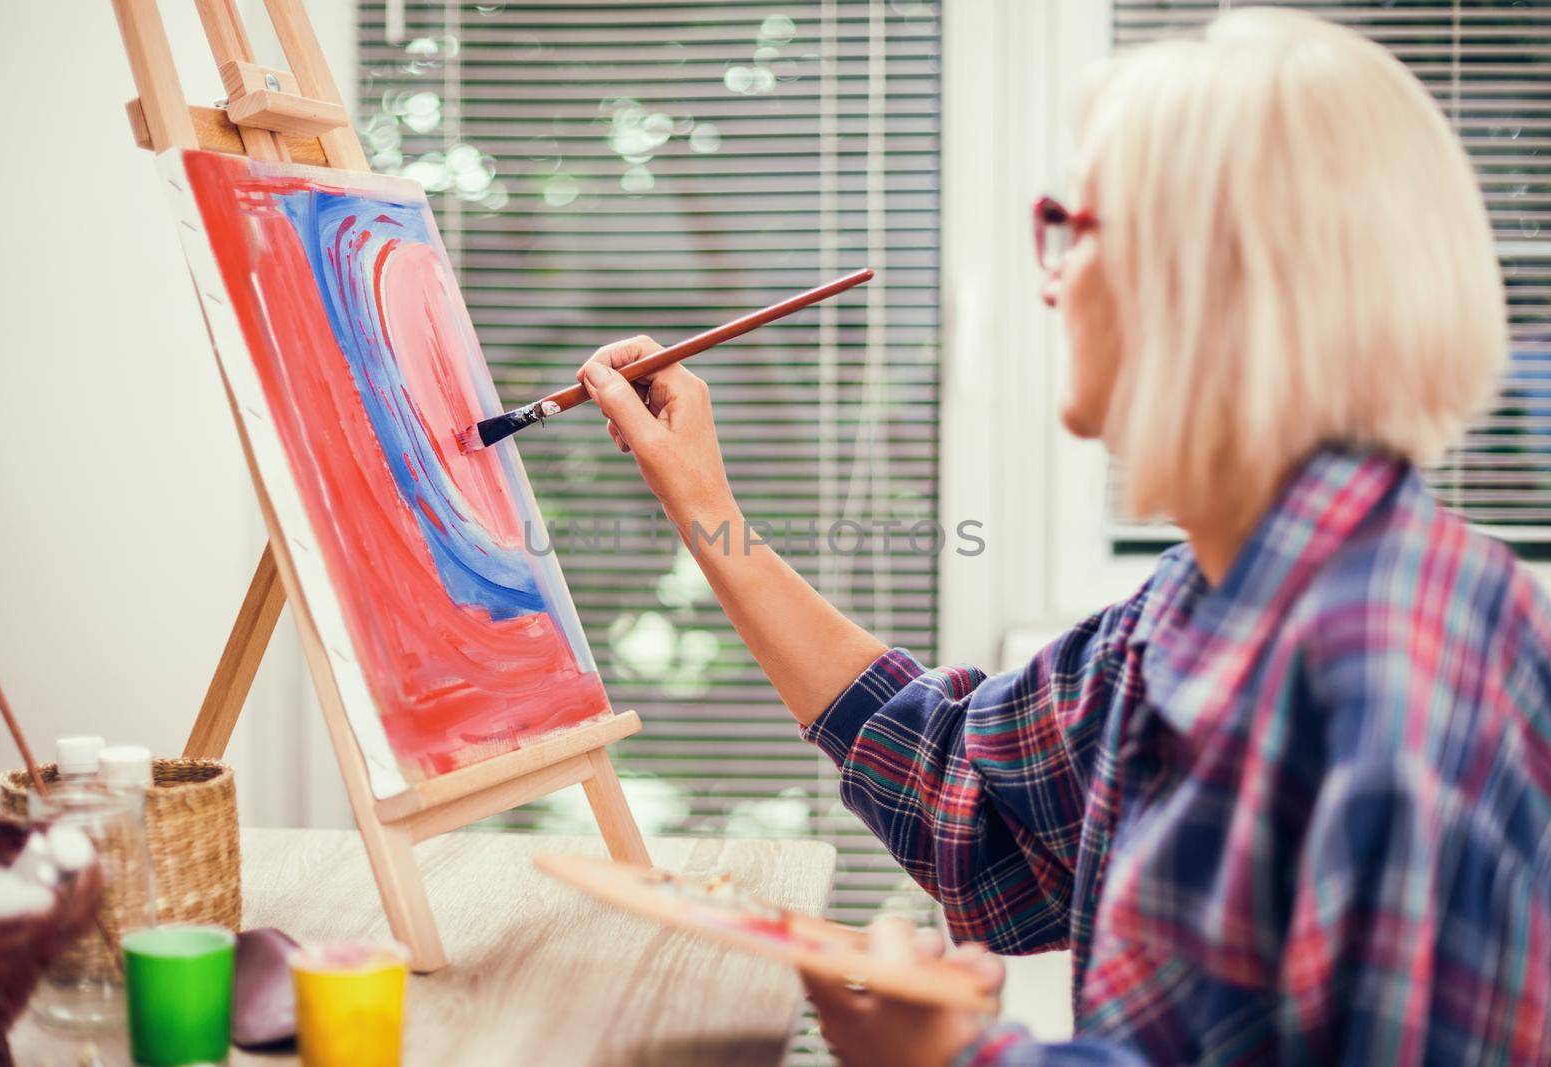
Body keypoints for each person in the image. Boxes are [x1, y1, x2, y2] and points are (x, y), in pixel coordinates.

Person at [576, 8, 1551, 1064]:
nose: (1048, 278)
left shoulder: (1391, 674)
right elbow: (959, 785)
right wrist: (703, 504)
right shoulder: (1208, 596)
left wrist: (948, 1054)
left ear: (1204, 280)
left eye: (1069, 225)